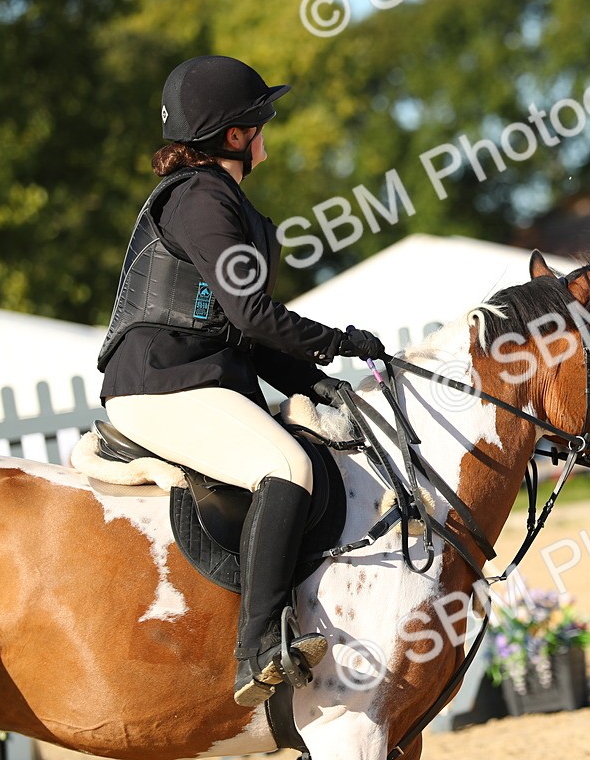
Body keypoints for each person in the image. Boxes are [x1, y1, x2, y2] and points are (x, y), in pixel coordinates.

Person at [97, 56, 386, 707]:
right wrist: (338, 340)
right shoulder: (201, 200)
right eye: (260, 121)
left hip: (197, 378)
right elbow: (253, 314)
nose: (267, 131)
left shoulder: (230, 205)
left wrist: (319, 382)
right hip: (160, 384)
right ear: (234, 136)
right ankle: (260, 647)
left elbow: (249, 338)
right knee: (287, 465)